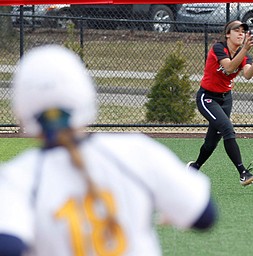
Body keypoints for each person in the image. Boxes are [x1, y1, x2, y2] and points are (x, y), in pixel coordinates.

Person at [0, 45, 218, 256]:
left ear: (21, 110)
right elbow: (205, 216)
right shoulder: (134, 150)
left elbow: (8, 246)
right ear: (85, 95)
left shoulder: (19, 176)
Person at [188, 20, 253, 186]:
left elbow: (248, 74)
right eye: (236, 30)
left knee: (211, 142)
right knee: (227, 129)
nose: (241, 33)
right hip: (207, 98)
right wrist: (245, 48)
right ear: (227, 34)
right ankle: (243, 172)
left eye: (243, 31)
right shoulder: (219, 48)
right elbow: (229, 67)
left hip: (225, 99)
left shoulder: (246, 55)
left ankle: (194, 168)